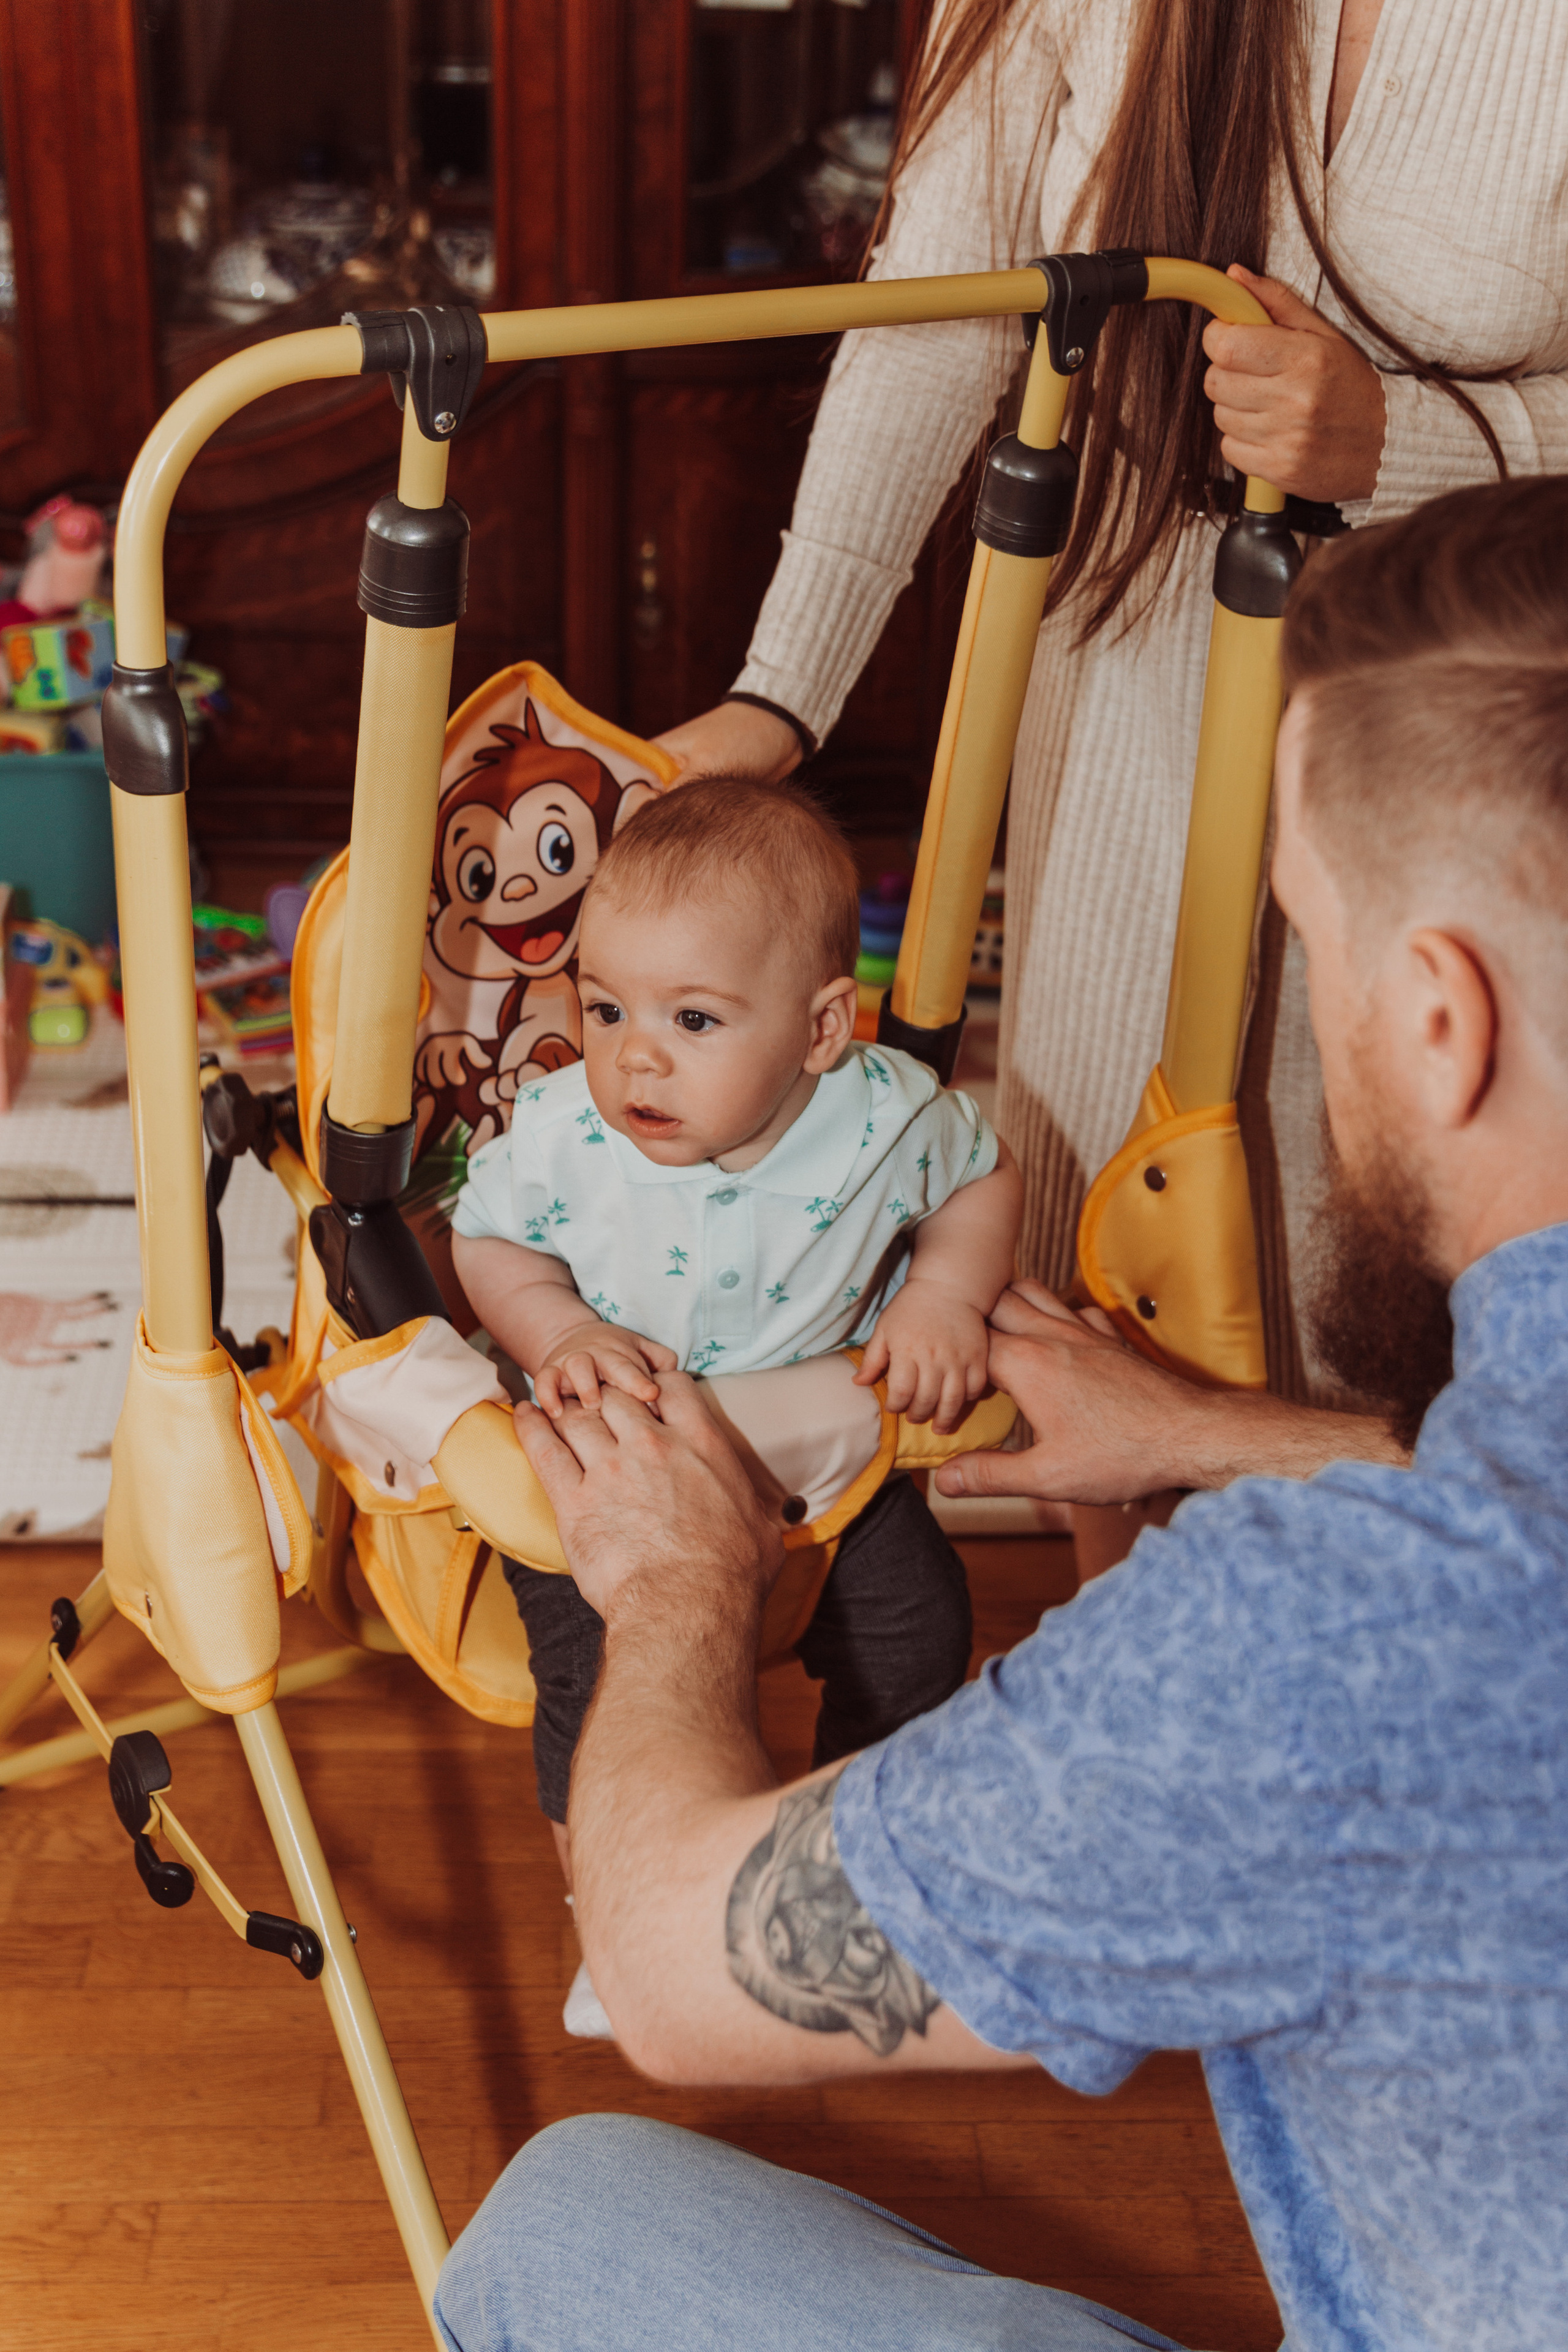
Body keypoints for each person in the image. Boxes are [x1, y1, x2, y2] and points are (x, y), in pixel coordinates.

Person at [433, 478, 1568, 2351]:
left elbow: (664, 1973)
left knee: (561, 2222)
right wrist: (1223, 1431)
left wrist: (674, 1588)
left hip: (758, 1563)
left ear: (1440, 1021)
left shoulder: (1323, 1636)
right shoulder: (565, 1139)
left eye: (1317, 955)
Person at [656, 0, 1568, 1432]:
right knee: (1101, 1302)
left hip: (1471, 751)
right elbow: (948, 305)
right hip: (1125, 703)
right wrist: (778, 694)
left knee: (1426, 1312)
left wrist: (1407, 443)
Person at [450, 779, 1021, 2030]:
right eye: (602, 1007)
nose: (633, 1055)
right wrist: (562, 1329)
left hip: (820, 1456)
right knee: (591, 1672)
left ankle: (844, 1868)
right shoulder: (559, 1136)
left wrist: (941, 1297)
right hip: (614, 1453)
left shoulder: (885, 1119)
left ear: (822, 1030)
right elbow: (487, 1243)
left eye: (692, 1018)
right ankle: (609, 1916)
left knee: (917, 1630)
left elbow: (980, 1183)